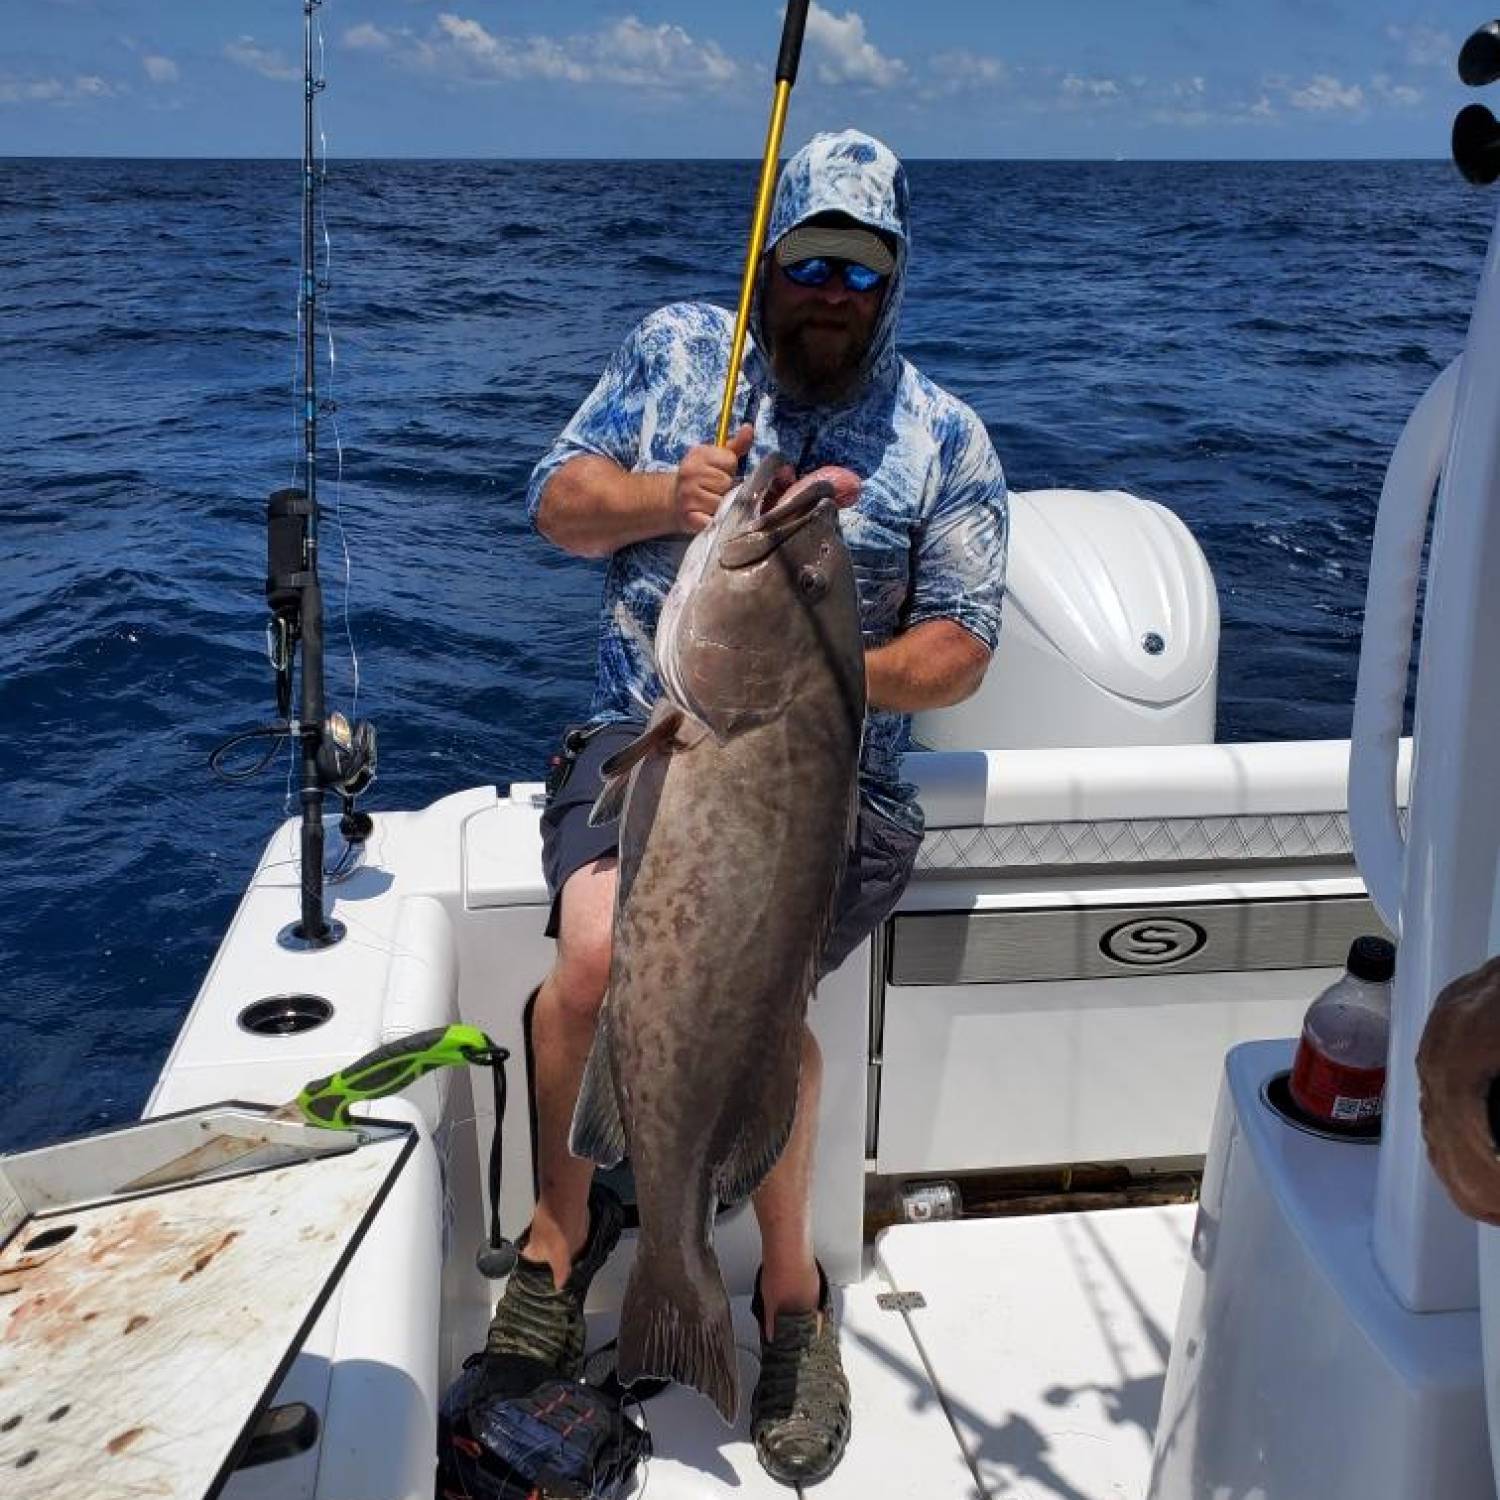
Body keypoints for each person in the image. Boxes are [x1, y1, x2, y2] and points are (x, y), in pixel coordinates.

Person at [483, 129, 1008, 1487]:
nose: (832, 290)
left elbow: (963, 643)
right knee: (597, 954)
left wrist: (821, 680)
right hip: (651, 737)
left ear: (894, 284)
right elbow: (555, 504)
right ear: (772, 263)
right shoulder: (675, 351)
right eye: (812, 261)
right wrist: (665, 495)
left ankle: (788, 1304)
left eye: (863, 269)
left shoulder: (944, 435)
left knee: (769, 1011)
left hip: (837, 783)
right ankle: (559, 1244)